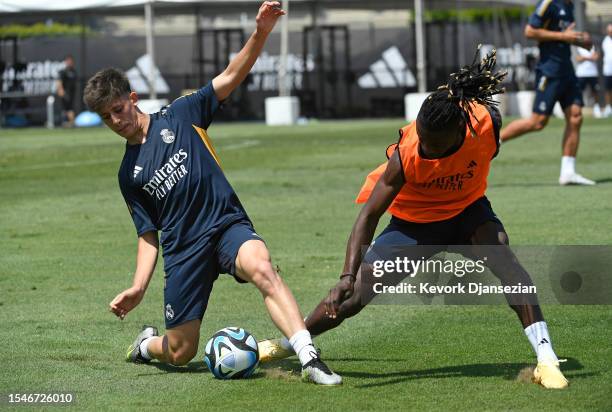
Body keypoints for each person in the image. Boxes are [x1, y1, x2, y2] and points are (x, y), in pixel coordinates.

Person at [258, 49, 570, 389]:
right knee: (353, 298)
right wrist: (346, 275)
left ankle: (546, 358)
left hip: (467, 212)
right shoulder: (408, 154)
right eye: (421, 138)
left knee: (504, 257)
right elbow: (369, 215)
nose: (424, 148)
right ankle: (293, 342)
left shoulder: (486, 126)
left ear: (457, 133)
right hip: (414, 226)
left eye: (433, 145)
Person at [83, 1, 341, 385]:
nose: (116, 121)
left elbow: (231, 74)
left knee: (263, 267)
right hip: (184, 251)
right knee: (180, 351)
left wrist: (261, 32)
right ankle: (145, 345)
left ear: (133, 98)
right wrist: (138, 287)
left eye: (118, 109)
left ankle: (309, 358)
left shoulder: (183, 113)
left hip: (225, 226)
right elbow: (147, 234)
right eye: (107, 117)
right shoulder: (129, 174)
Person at [500, 0, 595, 186]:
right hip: (549, 72)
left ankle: (568, 172)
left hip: (567, 72)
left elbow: (567, 36)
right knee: (538, 122)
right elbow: (530, 31)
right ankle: (492, 142)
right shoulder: (548, 3)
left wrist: (581, 40)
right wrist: (563, 36)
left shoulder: (570, 6)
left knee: (576, 117)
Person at [575, 46, 602, 118]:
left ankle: (597, 109)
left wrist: (584, 57)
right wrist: (589, 57)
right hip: (581, 74)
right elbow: (577, 58)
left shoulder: (594, 46)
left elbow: (596, 57)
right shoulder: (578, 47)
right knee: (578, 92)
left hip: (593, 73)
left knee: (595, 92)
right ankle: (577, 108)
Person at [56, 54, 77, 127]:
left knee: (70, 108)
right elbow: (59, 82)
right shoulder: (63, 72)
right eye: (68, 61)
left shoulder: (74, 71)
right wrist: (60, 90)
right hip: (65, 93)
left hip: (71, 93)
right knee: (68, 108)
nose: (70, 62)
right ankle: (71, 122)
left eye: (71, 61)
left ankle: (70, 123)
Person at [602, 23, 612, 117]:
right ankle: (609, 108)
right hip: (608, 70)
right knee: (608, 90)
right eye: (609, 31)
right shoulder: (605, 41)